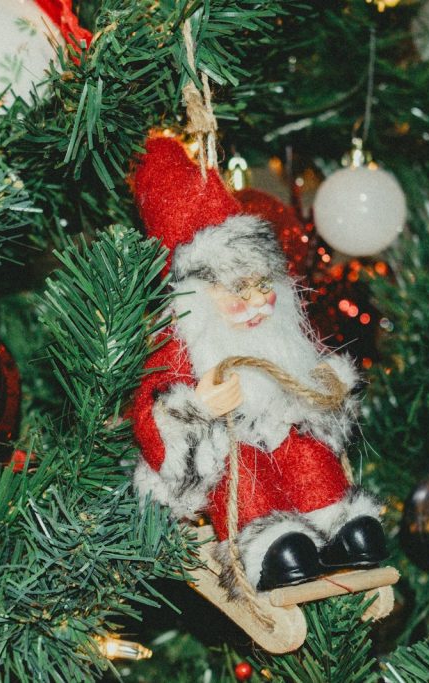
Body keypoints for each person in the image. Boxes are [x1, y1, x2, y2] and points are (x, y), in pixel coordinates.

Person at [130, 134, 388, 594]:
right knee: (242, 468)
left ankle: (337, 524)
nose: (256, 303)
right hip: (225, 453)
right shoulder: (177, 344)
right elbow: (151, 419)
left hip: (279, 430)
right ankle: (267, 542)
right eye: (237, 289)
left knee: (308, 452)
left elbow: (310, 381)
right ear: (196, 295)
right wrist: (197, 407)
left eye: (263, 285)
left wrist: (324, 386)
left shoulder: (278, 332)